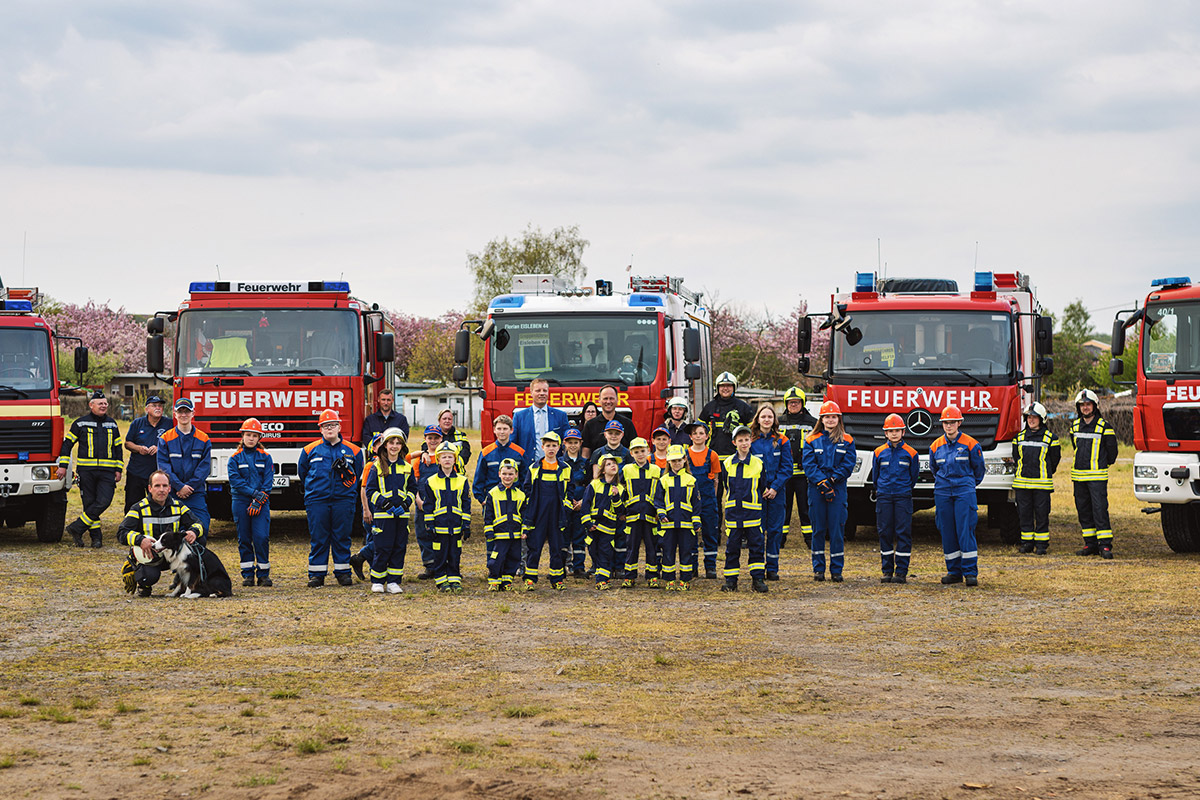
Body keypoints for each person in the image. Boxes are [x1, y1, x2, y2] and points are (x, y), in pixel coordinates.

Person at [298, 409, 364, 587]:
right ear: (320, 429)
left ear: (339, 427)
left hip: (343, 501)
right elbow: (303, 473)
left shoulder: (354, 451)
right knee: (319, 537)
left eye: (332, 425)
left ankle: (343, 573)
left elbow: (357, 474)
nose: (329, 428)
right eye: (325, 426)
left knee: (341, 536)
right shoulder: (308, 450)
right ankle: (316, 574)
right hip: (317, 500)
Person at [119, 470, 205, 597]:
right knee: (148, 577)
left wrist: (194, 531)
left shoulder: (178, 506)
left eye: (165, 486)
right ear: (150, 488)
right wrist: (140, 540)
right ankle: (140, 577)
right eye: (157, 486)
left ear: (170, 488)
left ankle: (187, 581)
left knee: (199, 541)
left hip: (171, 555)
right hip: (151, 555)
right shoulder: (138, 508)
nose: (161, 490)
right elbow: (121, 532)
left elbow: (198, 523)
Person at [58, 391, 124, 548]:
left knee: (104, 501)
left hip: (107, 471)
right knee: (89, 504)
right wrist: (63, 466)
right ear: (91, 405)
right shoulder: (80, 423)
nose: (104, 406)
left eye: (105, 403)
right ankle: (96, 538)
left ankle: (77, 527)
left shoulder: (112, 424)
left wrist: (118, 468)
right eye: (100, 403)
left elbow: (118, 448)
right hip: (86, 472)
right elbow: (67, 445)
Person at [929, 405, 986, 586]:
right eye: (946, 422)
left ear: (959, 423)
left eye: (952, 422)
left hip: (964, 491)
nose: (949, 426)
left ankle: (970, 572)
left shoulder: (971, 444)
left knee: (965, 530)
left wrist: (967, 484)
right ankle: (954, 572)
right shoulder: (935, 446)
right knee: (947, 531)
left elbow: (979, 470)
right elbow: (934, 469)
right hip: (943, 492)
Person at [803, 401, 856, 583]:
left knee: (837, 530)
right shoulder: (811, 439)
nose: (831, 420)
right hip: (816, 489)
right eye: (827, 416)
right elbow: (809, 465)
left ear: (838, 419)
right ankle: (818, 569)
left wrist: (832, 480)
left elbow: (848, 464)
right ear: (822, 419)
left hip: (838, 489)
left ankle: (836, 570)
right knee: (818, 530)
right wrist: (822, 483)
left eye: (834, 416)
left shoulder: (848, 440)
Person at [365, 427, 417, 594]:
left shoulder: (407, 467)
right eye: (391, 443)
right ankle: (378, 580)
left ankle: (394, 581)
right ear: (385, 446)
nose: (394, 446)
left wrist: (405, 504)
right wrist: (384, 504)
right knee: (382, 547)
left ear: (402, 446)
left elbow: (412, 489)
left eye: (398, 443)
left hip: (401, 515)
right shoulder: (376, 467)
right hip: (383, 515)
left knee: (399, 547)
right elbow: (370, 491)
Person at [1070, 389, 1119, 558]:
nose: (1085, 408)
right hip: (1079, 477)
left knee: (1099, 510)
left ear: (1094, 406)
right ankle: (1090, 544)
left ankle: (1105, 545)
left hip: (1097, 478)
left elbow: (1112, 453)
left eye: (1088, 404)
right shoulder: (1074, 426)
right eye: (1082, 405)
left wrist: (1102, 464)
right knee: (1083, 510)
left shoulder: (1104, 427)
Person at [521, 431, 572, 590]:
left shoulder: (565, 468)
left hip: (557, 514)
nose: (551, 448)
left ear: (559, 447)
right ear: (542, 447)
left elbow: (570, 490)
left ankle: (557, 578)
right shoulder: (534, 467)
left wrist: (566, 506)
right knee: (534, 546)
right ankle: (530, 579)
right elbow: (527, 489)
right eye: (548, 445)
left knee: (557, 547)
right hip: (539, 513)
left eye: (554, 445)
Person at [418, 441, 470, 592]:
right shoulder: (431, 481)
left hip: (456, 527)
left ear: (455, 459)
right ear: (438, 460)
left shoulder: (462, 481)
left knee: (455, 554)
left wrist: (466, 525)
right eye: (443, 457)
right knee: (440, 555)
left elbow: (466, 504)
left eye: (450, 457)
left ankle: (454, 579)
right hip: (439, 527)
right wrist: (429, 525)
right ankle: (441, 580)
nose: (447, 460)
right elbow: (428, 506)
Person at [156, 398, 212, 539]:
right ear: (175, 414)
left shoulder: (204, 438)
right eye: (180, 412)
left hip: (195, 493)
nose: (183, 415)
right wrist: (179, 486)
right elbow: (164, 467)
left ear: (193, 413)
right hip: (172, 494)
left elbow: (204, 468)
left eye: (187, 411)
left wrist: (189, 487)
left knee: (201, 529)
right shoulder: (165, 438)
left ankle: (196, 559)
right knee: (171, 533)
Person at [720, 426, 768, 593]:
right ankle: (731, 581)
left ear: (751, 441)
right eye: (740, 440)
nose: (744, 443)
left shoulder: (758, 464)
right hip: (733, 515)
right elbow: (726, 486)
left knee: (756, 548)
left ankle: (758, 580)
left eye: (746, 439)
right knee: (732, 549)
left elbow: (762, 487)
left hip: (753, 515)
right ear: (734, 443)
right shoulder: (726, 464)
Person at [227, 418, 274, 587]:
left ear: (259, 438)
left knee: (261, 537)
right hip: (241, 501)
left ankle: (263, 574)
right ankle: (247, 575)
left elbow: (268, 481)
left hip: (261, 502)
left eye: (255, 435)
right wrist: (255, 495)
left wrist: (259, 500)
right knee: (244, 538)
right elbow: (236, 482)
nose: (251, 438)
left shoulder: (266, 457)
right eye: (248, 435)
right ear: (243, 436)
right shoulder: (234, 458)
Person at [873, 414, 920, 583]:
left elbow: (913, 476)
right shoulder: (878, 452)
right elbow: (875, 475)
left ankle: (901, 571)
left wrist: (903, 489)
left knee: (903, 532)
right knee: (884, 532)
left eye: (897, 430)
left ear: (903, 432)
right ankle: (887, 571)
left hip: (902, 497)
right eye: (890, 431)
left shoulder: (911, 453)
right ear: (885, 433)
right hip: (884, 496)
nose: (894, 434)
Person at [750, 404, 793, 581]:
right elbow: (750, 468)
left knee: (775, 530)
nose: (766, 420)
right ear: (758, 419)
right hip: (757, 492)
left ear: (774, 420)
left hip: (777, 491)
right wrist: (762, 488)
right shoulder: (751, 440)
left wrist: (775, 487)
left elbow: (787, 467)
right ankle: (759, 566)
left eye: (770, 417)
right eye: (763, 416)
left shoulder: (782, 440)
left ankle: (772, 568)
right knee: (758, 530)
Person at [1014, 402, 1061, 555]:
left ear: (1041, 419)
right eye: (1029, 417)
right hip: (1022, 484)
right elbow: (1016, 458)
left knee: (1042, 515)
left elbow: (1054, 460)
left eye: (1034, 417)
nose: (1031, 420)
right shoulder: (1019, 438)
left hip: (1042, 485)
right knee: (1024, 514)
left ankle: (1041, 545)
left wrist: (1046, 472)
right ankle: (1027, 543)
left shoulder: (1051, 438)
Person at [655, 444, 701, 591]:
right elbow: (658, 500)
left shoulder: (691, 480)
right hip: (668, 524)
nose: (676, 463)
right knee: (667, 552)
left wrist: (696, 520)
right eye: (673, 461)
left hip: (686, 524)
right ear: (668, 462)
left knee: (685, 552)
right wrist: (661, 514)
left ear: (684, 460)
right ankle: (669, 579)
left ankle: (685, 580)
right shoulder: (663, 480)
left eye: (679, 460)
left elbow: (696, 502)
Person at [778, 387, 817, 549]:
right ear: (786, 404)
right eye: (790, 402)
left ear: (803, 403)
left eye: (796, 402)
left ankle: (810, 540)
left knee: (806, 508)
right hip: (784, 474)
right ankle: (780, 539)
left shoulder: (813, 423)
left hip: (804, 475)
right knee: (783, 508)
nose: (793, 405)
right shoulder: (778, 422)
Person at [621, 438, 662, 588]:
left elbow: (660, 492)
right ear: (631, 453)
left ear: (648, 452)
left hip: (651, 515)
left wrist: (659, 511)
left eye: (642, 451)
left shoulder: (656, 470)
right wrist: (622, 510)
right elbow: (621, 491)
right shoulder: (626, 470)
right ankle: (629, 576)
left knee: (652, 546)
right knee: (632, 546)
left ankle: (652, 576)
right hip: (632, 515)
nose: (640, 454)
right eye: (636, 452)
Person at [582, 453, 626, 590]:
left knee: (605, 553)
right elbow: (585, 505)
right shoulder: (594, 485)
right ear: (602, 469)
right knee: (593, 551)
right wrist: (588, 523)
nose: (613, 465)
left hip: (608, 528)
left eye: (614, 463)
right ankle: (599, 574)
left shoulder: (620, 488)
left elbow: (620, 511)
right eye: (609, 464)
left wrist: (616, 497)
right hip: (593, 526)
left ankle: (602, 579)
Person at [685, 420, 722, 579]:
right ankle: (692, 566)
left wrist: (712, 498)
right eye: (695, 433)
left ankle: (710, 566)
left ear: (707, 436)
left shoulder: (712, 455)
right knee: (690, 534)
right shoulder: (684, 454)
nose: (698, 436)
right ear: (690, 436)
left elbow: (716, 480)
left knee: (710, 532)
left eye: (701, 433)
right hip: (690, 501)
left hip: (708, 500)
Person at [409, 425, 445, 580]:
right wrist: (417, 499)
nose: (433, 441)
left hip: (441, 504)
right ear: (425, 439)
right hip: (423, 504)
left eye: (436, 438)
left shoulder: (445, 457)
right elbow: (414, 482)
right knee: (423, 534)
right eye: (430, 438)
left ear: (441, 439)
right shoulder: (418, 461)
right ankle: (430, 566)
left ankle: (444, 565)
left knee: (442, 535)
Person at [123, 395, 171, 512]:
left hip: (159, 473)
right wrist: (139, 448)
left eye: (160, 406)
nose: (158, 408)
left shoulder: (169, 424)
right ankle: (131, 527)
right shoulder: (137, 423)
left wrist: (160, 448)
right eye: (154, 406)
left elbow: (176, 443)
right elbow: (127, 443)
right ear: (147, 409)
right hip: (137, 471)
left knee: (159, 503)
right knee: (133, 503)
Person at [483, 458, 525, 591]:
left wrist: (525, 530)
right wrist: (489, 531)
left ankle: (507, 580)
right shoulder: (492, 493)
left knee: (514, 558)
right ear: (499, 474)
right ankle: (494, 580)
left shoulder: (520, 495)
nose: (507, 477)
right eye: (505, 474)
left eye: (511, 474)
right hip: (499, 534)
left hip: (515, 535)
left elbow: (525, 515)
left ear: (516, 475)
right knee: (497, 559)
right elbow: (487, 515)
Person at [512, 378, 570, 464]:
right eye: (538, 391)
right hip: (528, 468)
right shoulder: (519, 416)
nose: (542, 393)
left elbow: (566, 442)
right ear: (531, 393)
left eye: (545, 391)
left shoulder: (561, 416)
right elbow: (513, 443)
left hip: (555, 467)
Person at [473, 415, 528, 505]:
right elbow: (479, 478)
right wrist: (482, 499)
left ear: (511, 430)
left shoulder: (519, 452)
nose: (502, 432)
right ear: (494, 430)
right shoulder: (486, 453)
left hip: (514, 500)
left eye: (505, 429)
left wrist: (522, 496)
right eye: (499, 429)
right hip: (492, 500)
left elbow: (525, 478)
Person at [698, 373, 754, 459]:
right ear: (717, 388)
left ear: (734, 387)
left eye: (729, 385)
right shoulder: (709, 407)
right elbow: (698, 431)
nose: (725, 388)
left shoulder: (744, 408)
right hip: (713, 458)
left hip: (737, 458)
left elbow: (753, 432)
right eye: (722, 386)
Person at [560, 428, 591, 578]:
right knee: (563, 537)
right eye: (569, 442)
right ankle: (561, 567)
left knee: (579, 536)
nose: (573, 445)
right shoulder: (560, 463)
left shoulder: (586, 463)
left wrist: (583, 502)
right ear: (564, 443)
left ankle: (579, 567)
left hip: (580, 504)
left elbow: (591, 485)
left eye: (576, 442)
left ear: (580, 443)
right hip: (564, 505)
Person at [581, 385, 637, 457]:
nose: (608, 401)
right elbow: (585, 455)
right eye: (605, 398)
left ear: (617, 400)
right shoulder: (590, 425)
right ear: (599, 400)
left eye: (611, 398)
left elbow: (634, 451)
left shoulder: (627, 423)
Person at [434, 409, 472, 473]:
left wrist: (454, 463)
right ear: (439, 421)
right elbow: (425, 448)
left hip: (458, 473)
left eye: (449, 419)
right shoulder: (432, 435)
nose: (447, 421)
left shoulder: (461, 435)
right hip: (437, 474)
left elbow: (466, 452)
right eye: (444, 418)